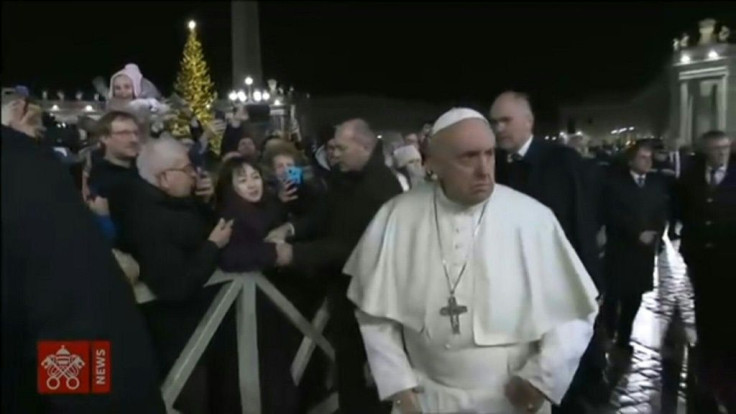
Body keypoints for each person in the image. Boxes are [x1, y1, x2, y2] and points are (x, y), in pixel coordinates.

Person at [345, 108, 599, 414]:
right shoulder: (397, 216)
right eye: (468, 157)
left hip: (510, 399)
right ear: (433, 163)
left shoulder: (532, 219)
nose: (484, 170)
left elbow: (572, 314)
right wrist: (398, 386)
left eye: (489, 154)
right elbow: (375, 315)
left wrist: (542, 379)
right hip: (426, 399)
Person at [2, 103, 165, 413]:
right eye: (123, 132)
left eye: (135, 132)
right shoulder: (24, 171)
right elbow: (74, 322)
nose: (132, 138)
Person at [268, 118, 402, 414]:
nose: (334, 154)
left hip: (369, 302)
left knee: (365, 383)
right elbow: (324, 214)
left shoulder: (377, 188)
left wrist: (294, 254)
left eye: (341, 147)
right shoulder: (349, 178)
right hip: (347, 295)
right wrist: (292, 230)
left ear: (365, 146)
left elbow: (348, 245)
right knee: (349, 377)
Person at [490, 91, 606, 410]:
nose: (499, 128)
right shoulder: (496, 164)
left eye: (506, 120)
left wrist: (590, 283)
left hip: (559, 280)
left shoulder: (562, 161)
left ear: (528, 121)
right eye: (494, 121)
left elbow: (582, 222)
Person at [116, 137, 238, 413]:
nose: (194, 174)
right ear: (164, 178)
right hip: (177, 336)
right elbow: (175, 286)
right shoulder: (149, 218)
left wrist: (205, 202)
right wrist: (213, 246)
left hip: (203, 327)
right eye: (186, 169)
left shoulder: (173, 201)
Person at [675, 130, 735, 411]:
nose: (721, 153)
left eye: (725, 148)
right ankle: (707, 356)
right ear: (704, 151)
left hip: (730, 257)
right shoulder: (689, 177)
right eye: (715, 149)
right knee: (704, 305)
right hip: (700, 257)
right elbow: (681, 210)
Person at [601, 142, 670, 356]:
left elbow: (661, 211)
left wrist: (656, 232)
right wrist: (635, 233)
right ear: (631, 160)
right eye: (642, 157)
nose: (648, 161)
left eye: (650, 157)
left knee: (635, 296)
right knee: (613, 296)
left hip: (644, 252)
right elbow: (611, 213)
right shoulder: (615, 184)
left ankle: (624, 337)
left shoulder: (656, 184)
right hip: (621, 249)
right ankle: (607, 332)